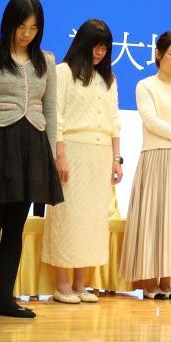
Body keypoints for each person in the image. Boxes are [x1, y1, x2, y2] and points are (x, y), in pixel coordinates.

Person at [0, 0, 63, 320]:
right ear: (9, 24)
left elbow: (51, 110)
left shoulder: (46, 61)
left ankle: (7, 298)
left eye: (34, 28)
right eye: (22, 27)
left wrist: (50, 155)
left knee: (15, 227)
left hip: (32, 146)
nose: (27, 34)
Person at [120, 32, 171, 299]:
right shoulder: (146, 85)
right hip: (156, 159)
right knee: (153, 219)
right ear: (158, 54)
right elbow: (151, 121)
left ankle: (167, 282)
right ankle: (149, 283)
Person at [45, 19, 122, 304]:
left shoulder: (108, 79)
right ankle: (62, 284)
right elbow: (56, 116)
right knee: (67, 216)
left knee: (93, 220)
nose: (100, 52)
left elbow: (114, 121)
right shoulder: (63, 72)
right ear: (82, 44)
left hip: (100, 154)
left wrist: (116, 159)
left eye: (104, 47)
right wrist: (60, 154)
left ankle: (80, 284)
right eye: (95, 46)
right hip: (73, 151)